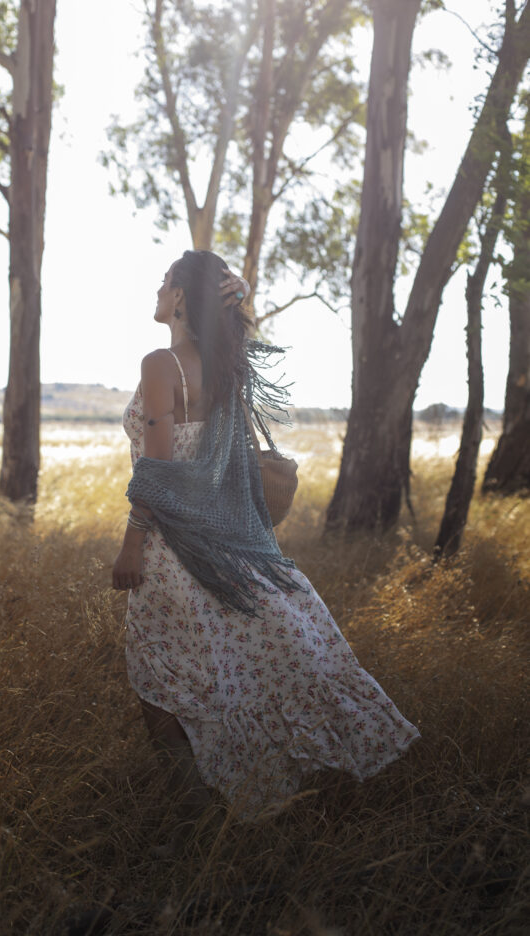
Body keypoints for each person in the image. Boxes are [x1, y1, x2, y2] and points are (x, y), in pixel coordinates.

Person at [112, 249, 419, 847]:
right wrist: (235, 291)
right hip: (229, 543)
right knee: (220, 675)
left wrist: (131, 545)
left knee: (159, 680)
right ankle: (231, 808)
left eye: (165, 281)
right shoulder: (227, 366)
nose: (156, 290)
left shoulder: (161, 363)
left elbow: (157, 471)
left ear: (178, 297)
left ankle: (195, 824)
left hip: (174, 552)